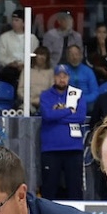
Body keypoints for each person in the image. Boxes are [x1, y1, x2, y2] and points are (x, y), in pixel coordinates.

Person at [39, 64, 89, 200]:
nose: (62, 79)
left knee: (75, 189)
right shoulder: (45, 95)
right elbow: (47, 115)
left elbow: (80, 117)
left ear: (68, 78)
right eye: (59, 76)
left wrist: (58, 112)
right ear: (54, 77)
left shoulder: (77, 94)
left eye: (64, 76)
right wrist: (68, 110)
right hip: (51, 150)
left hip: (73, 149)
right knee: (49, 188)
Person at [0, 10, 38, 89]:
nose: (14, 23)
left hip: (28, 69)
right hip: (10, 70)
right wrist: (11, 63)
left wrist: (24, 64)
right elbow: (0, 57)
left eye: (17, 20)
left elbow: (34, 56)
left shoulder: (32, 38)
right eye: (12, 20)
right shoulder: (4, 37)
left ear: (24, 23)